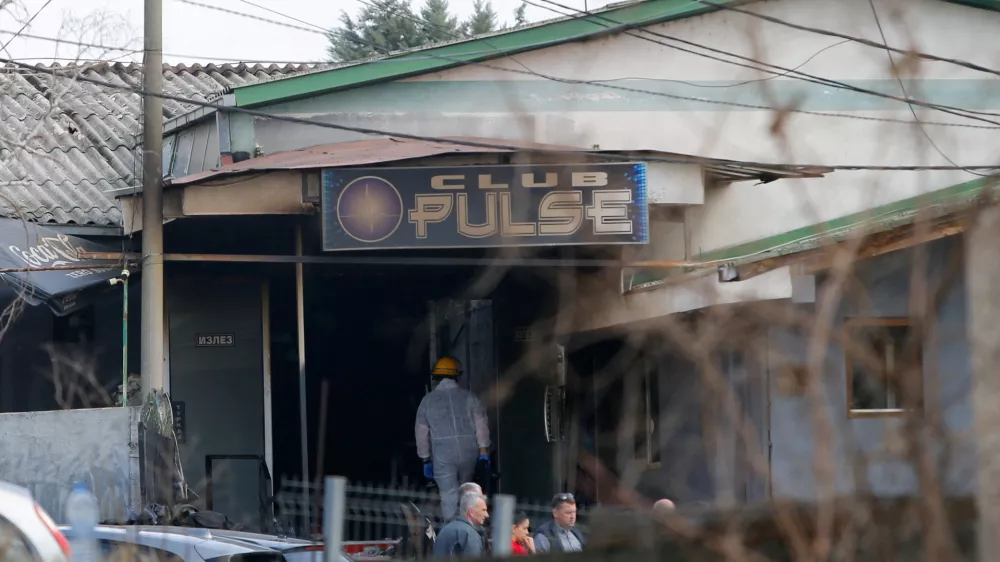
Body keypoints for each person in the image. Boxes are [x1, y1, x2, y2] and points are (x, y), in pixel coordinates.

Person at [416, 356, 491, 521]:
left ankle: (452, 533)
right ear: (457, 375)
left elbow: (421, 432)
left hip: (443, 454)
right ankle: (470, 526)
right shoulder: (469, 397)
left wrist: (425, 459)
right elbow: (481, 424)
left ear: (435, 377)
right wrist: (483, 451)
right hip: (468, 451)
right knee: (467, 491)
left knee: (449, 495)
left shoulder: (428, 401)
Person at [433, 493, 489, 558]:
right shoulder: (470, 534)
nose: (487, 514)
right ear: (471, 512)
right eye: (483, 510)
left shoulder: (445, 529)